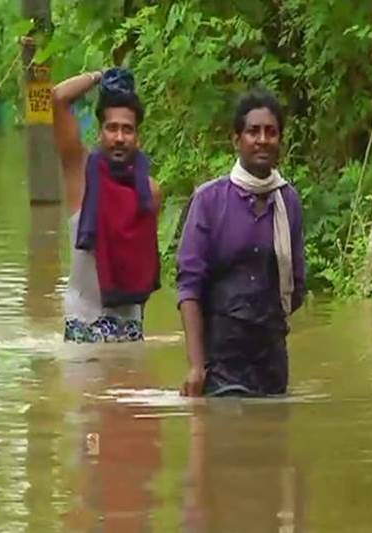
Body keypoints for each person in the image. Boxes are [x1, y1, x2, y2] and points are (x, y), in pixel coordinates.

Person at [177, 90, 306, 397]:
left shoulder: (288, 202)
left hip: (271, 363)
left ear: (280, 141)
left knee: (273, 440)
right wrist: (196, 366)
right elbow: (189, 287)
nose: (262, 139)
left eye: (271, 132)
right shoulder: (209, 200)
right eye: (253, 131)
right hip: (220, 361)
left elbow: (296, 286)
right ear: (237, 140)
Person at [51, 68, 162, 343]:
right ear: (100, 133)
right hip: (82, 332)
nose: (119, 137)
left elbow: (143, 264)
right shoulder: (81, 175)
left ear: (138, 137)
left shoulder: (150, 192)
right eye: (112, 128)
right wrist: (102, 76)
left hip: (130, 332)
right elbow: (58, 98)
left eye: (128, 129)